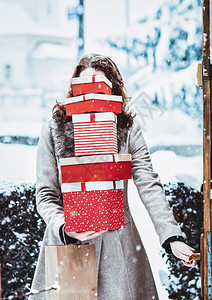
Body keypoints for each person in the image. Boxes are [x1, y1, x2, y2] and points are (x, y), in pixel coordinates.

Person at [30, 53, 196, 300]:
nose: (92, 96)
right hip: (70, 247)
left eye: (100, 87)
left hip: (118, 247)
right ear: (74, 90)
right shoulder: (54, 131)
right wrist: (65, 228)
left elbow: (149, 185)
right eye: (85, 87)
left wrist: (172, 238)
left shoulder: (127, 131)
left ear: (112, 91)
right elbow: (45, 195)